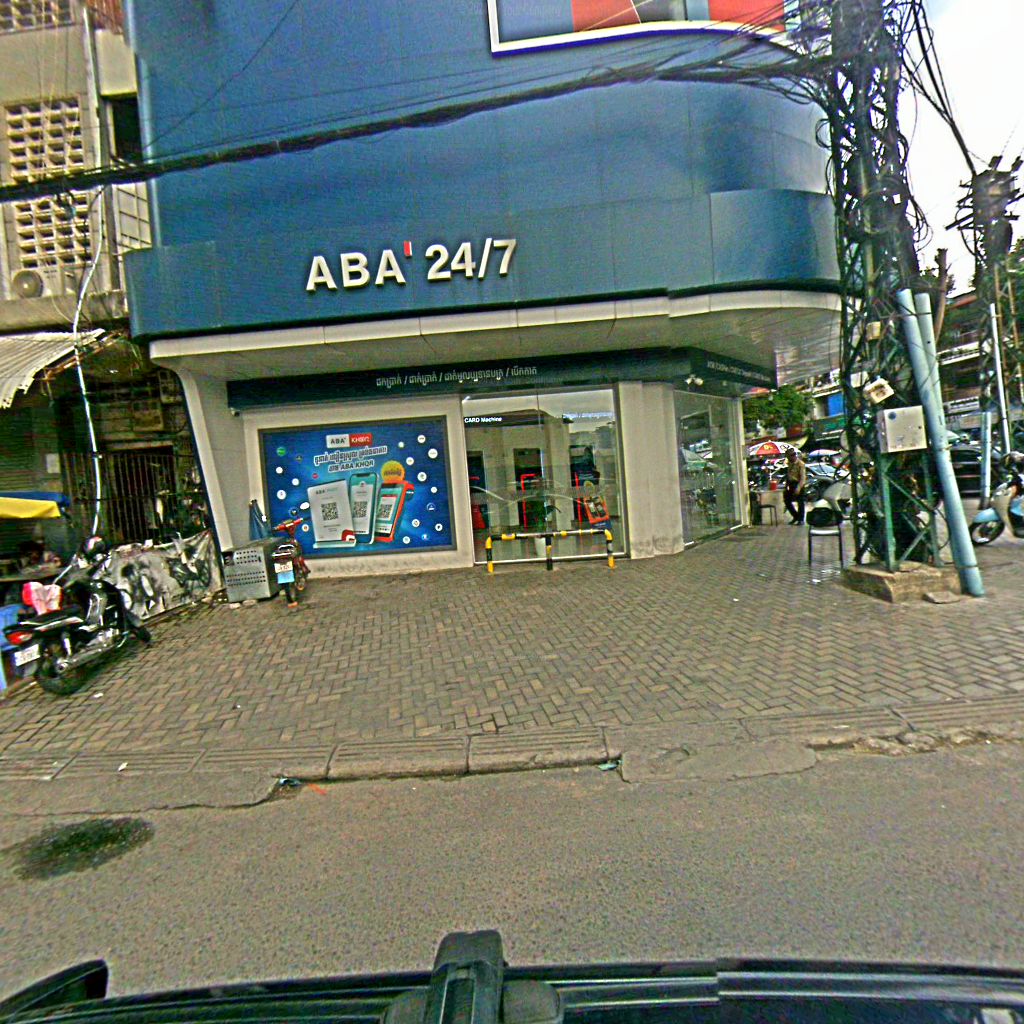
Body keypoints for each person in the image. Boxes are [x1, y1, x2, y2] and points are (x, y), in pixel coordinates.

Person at [783, 449, 807, 525]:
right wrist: (786, 485)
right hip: (791, 484)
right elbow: (788, 475)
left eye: (789, 457)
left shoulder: (800, 464)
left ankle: (801, 519)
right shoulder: (790, 463)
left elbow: (802, 478)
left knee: (800, 502)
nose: (788, 459)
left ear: (793, 456)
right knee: (787, 501)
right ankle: (796, 516)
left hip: (798, 483)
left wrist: (798, 487)